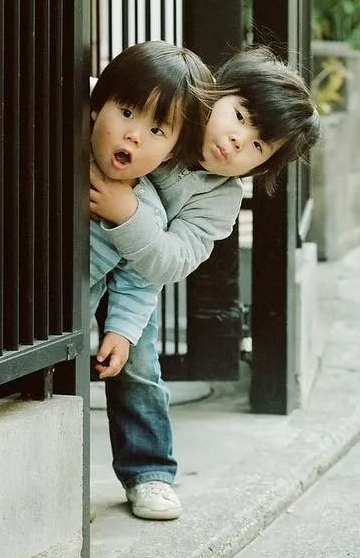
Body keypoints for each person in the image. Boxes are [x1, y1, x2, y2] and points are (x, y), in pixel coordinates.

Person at [89, 45, 321, 520]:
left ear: (260, 167)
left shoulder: (219, 199)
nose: (237, 141)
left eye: (257, 146)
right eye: (239, 116)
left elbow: (170, 261)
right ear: (213, 93)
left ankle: (149, 471)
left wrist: (126, 214)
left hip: (139, 280)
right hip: (87, 258)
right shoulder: (164, 113)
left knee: (137, 365)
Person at [89, 42, 213, 382]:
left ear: (171, 154)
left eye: (156, 131)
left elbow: (139, 279)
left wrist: (121, 331)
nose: (134, 135)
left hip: (55, 326)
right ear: (97, 106)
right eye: (127, 112)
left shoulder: (149, 216)